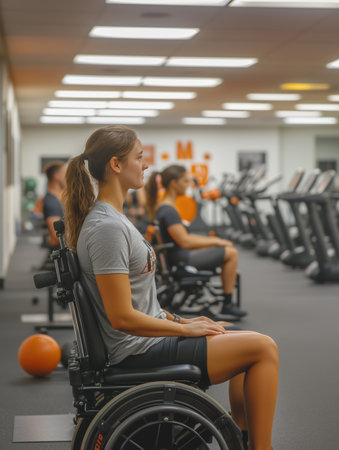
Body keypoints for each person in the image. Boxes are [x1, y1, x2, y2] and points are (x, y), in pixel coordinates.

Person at [63, 125, 278, 450]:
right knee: (263, 348)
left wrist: (183, 322)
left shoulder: (113, 219)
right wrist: (187, 332)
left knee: (230, 332)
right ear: (116, 165)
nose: (146, 164)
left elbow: (140, 304)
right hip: (136, 351)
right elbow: (122, 317)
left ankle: (243, 436)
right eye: (139, 157)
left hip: (144, 342)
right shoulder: (106, 227)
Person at [145, 165, 246, 318]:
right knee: (231, 253)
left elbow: (184, 238)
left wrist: (215, 240)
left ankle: (227, 303)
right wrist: (216, 242)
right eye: (185, 181)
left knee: (224, 248)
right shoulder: (168, 210)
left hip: (180, 256)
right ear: (174, 183)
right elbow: (185, 241)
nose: (188, 185)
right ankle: (227, 305)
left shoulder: (166, 207)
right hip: (183, 259)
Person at [42, 161, 67, 247]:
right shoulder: (51, 201)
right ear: (56, 176)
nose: (67, 177)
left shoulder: (59, 197)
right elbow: (57, 235)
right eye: (65, 174)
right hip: (59, 251)